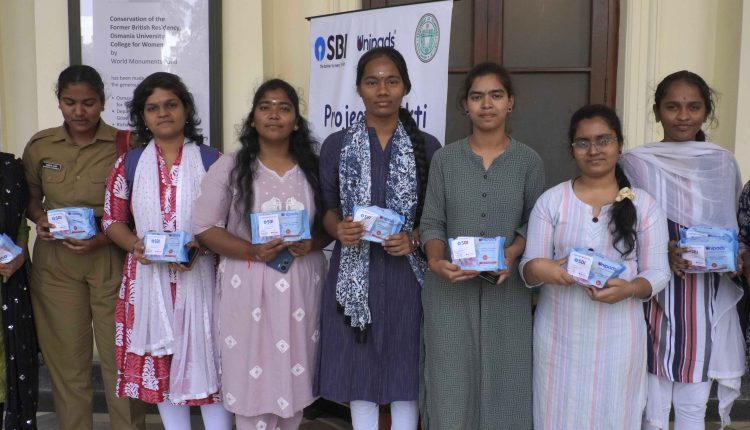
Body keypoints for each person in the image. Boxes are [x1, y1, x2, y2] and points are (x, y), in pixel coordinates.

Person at [520, 104, 670, 429]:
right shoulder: (552, 201)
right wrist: (548, 271)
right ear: (571, 149)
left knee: (614, 416)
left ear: (619, 144)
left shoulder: (644, 205)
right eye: (583, 142)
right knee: (557, 415)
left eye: (604, 140)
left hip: (619, 339)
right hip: (558, 338)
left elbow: (659, 272)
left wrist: (630, 289)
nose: (594, 150)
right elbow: (529, 267)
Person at [316, 46, 441, 430]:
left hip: (408, 277)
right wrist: (338, 229)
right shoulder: (337, 144)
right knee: (360, 372)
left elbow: (437, 216)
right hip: (353, 275)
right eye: (372, 82)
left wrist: (414, 239)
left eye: (391, 81)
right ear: (359, 88)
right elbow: (327, 207)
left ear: (405, 87)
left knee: (406, 369)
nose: (382, 90)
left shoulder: (428, 146)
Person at [193, 78, 328, 430]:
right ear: (253, 118)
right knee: (251, 377)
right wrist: (251, 250)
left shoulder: (315, 167)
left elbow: (331, 222)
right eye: (265, 107)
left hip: (301, 287)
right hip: (249, 284)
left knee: (295, 376)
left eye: (284, 108)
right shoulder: (231, 166)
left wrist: (313, 243)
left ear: (296, 121)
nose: (274, 114)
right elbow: (204, 227)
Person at [102, 72, 231, 430]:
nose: (163, 113)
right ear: (142, 117)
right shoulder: (129, 163)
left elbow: (231, 219)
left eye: (171, 104)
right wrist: (135, 245)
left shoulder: (213, 161)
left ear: (186, 109)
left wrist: (200, 245)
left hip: (203, 279)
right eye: (152, 107)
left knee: (211, 362)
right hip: (148, 283)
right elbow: (112, 219)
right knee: (163, 370)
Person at [419, 62, 544, 429]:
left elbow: (535, 223)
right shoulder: (445, 159)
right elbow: (432, 222)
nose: (486, 104)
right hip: (449, 290)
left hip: (507, 290)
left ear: (510, 102)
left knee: (507, 379)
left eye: (496, 95)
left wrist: (511, 254)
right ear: (465, 105)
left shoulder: (528, 161)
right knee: (449, 382)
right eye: (477, 96)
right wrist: (436, 262)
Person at [22, 65, 146, 430]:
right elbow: (30, 197)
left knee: (120, 358)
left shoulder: (127, 145)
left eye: (89, 103)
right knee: (67, 362)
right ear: (59, 102)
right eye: (70, 102)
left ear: (103, 102)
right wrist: (39, 219)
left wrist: (104, 237)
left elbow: (142, 207)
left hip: (110, 256)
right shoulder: (41, 145)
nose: (79, 111)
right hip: (56, 263)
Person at [620, 70, 745, 430]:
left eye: (693, 107)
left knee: (694, 394)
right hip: (652, 290)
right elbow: (623, 229)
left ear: (706, 111)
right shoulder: (636, 162)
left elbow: (730, 226)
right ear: (657, 111)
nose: (683, 116)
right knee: (653, 400)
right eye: (673, 107)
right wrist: (661, 252)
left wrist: (732, 255)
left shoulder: (721, 162)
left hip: (703, 292)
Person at [0, 151, 38, 429]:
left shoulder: (9, 168)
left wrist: (20, 254)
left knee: (10, 367)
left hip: (9, 281)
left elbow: (21, 223)